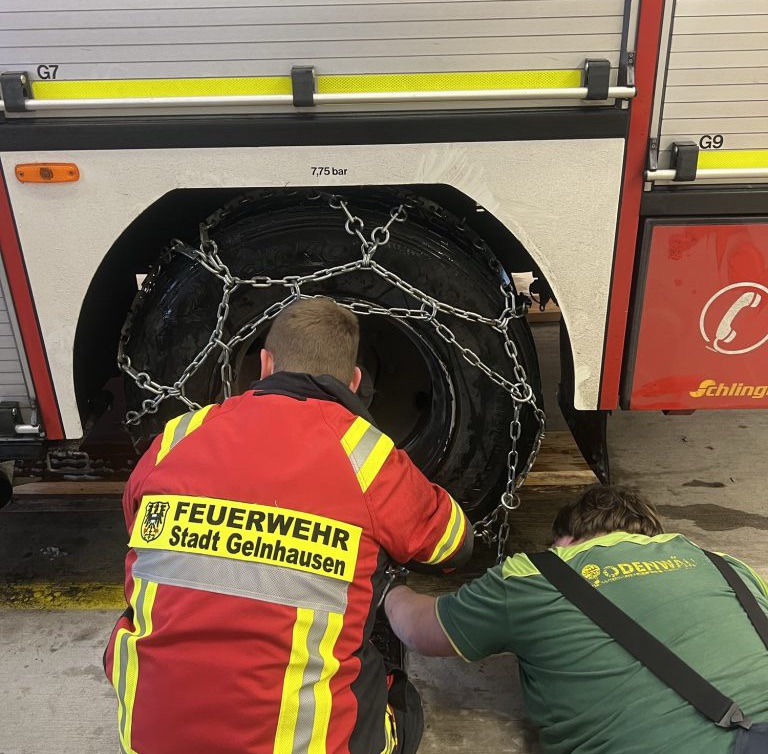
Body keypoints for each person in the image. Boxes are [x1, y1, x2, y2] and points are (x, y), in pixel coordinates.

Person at [104, 296, 472, 754]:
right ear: (355, 382)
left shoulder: (178, 436)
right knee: (399, 693)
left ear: (263, 364)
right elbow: (454, 544)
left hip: (147, 743)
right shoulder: (368, 456)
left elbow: (135, 521)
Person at [385, 485, 768, 754]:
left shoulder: (537, 575)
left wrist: (388, 585)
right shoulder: (726, 566)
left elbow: (417, 629)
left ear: (565, 539)